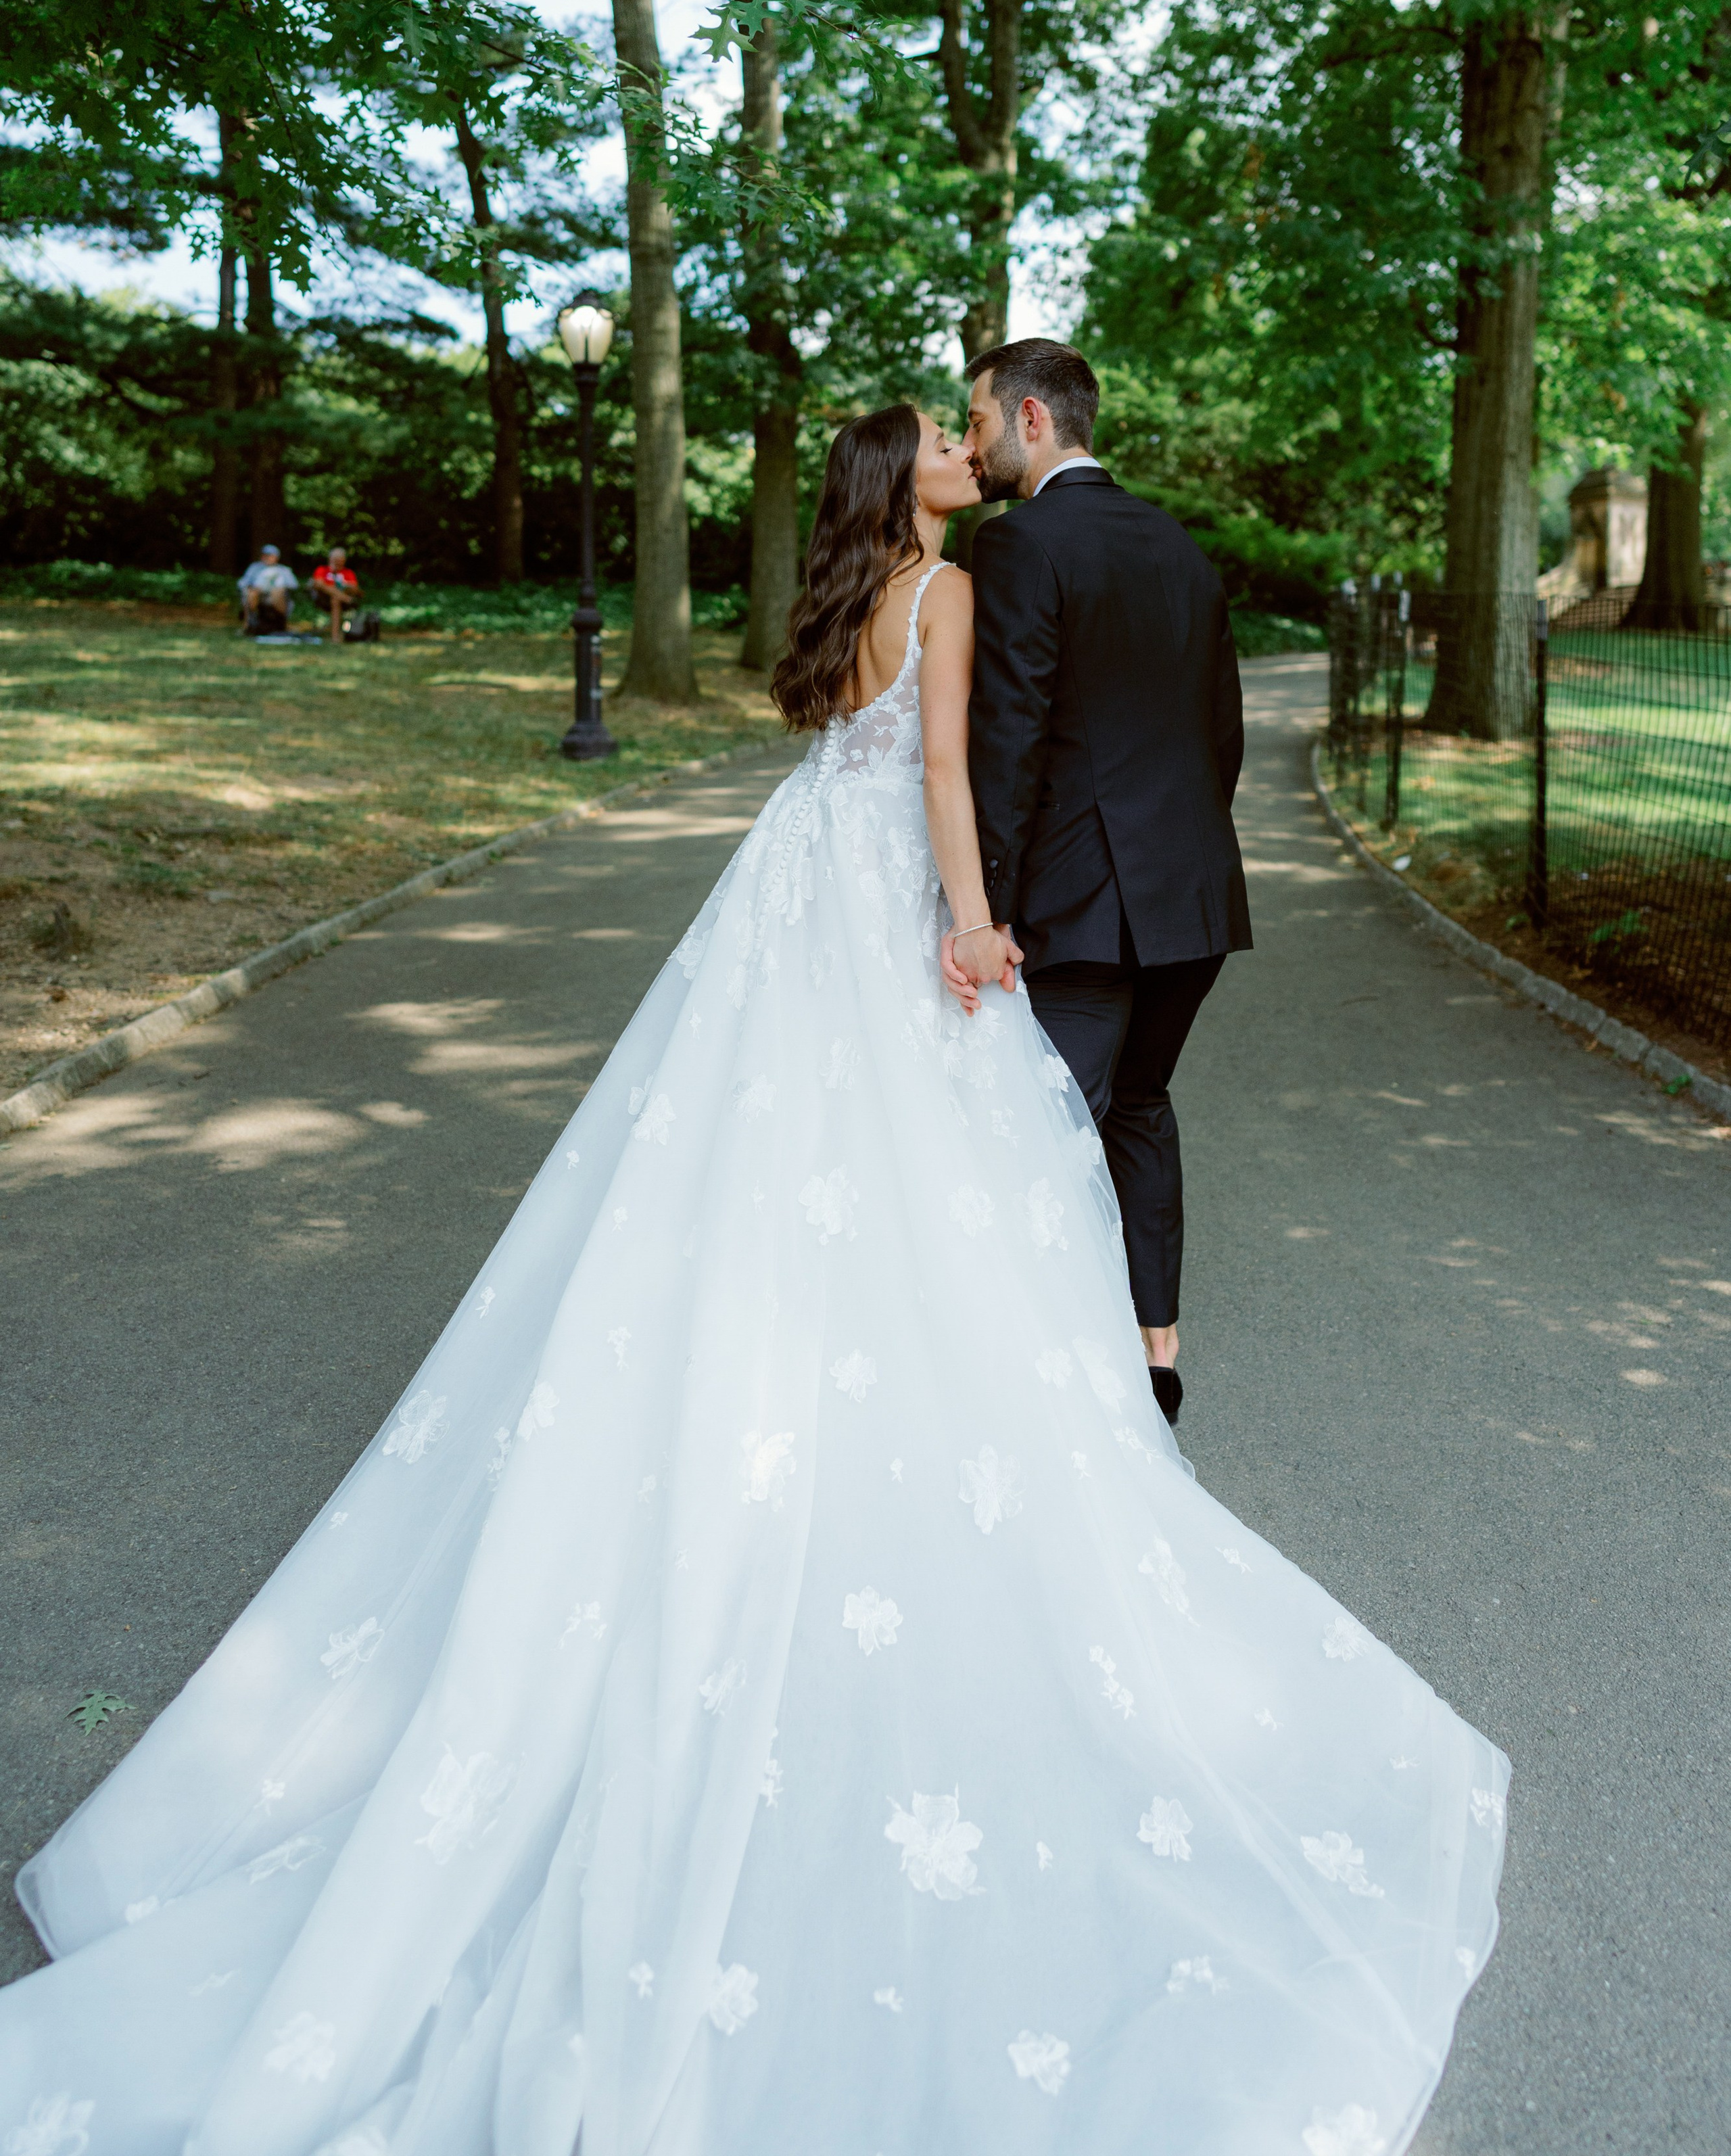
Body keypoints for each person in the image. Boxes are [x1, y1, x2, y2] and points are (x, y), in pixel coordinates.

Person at [0, 404, 1507, 2156]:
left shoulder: (855, 590)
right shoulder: (945, 589)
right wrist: (971, 925)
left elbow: (855, 753)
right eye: (938, 439)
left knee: (763, 1185)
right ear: (909, 480)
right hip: (887, 906)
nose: (958, 446)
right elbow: (941, 779)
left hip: (794, 901)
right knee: (928, 1195)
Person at [943, 339, 1250, 1430]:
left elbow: (1009, 738)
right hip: (1194, 904)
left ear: (1031, 419)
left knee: (1046, 1132)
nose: (970, 443)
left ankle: (1052, 1387)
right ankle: (1156, 1350)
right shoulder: (1179, 546)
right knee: (1142, 1105)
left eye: (977, 420)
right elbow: (1222, 734)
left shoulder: (1017, 543)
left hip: (1081, 908)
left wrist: (983, 911)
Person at [238, 544, 298, 637]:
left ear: (276, 557)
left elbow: (293, 585)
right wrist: (254, 589)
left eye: (270, 555)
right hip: (258, 593)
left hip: (277, 596)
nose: (266, 558)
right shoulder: (254, 568)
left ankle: (282, 624)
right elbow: (243, 583)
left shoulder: (283, 570)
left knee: (278, 592)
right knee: (252, 593)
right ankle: (249, 625)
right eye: (265, 555)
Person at [310, 546, 361, 645]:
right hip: (324, 599)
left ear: (344, 560)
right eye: (336, 559)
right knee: (323, 586)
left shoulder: (348, 573)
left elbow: (355, 589)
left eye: (340, 560)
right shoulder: (322, 570)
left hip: (342, 602)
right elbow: (318, 584)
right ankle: (346, 599)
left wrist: (345, 587)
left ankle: (335, 637)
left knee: (336, 599)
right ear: (330, 559)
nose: (338, 562)